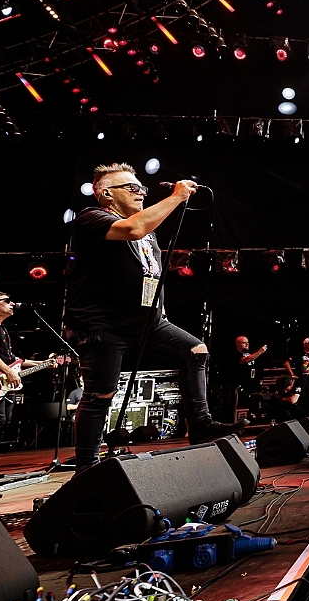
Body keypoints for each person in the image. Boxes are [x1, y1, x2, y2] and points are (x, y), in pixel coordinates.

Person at [64, 165, 238, 472]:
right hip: (104, 324)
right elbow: (134, 229)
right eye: (131, 188)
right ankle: (87, 467)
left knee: (196, 351)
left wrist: (160, 311)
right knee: (100, 394)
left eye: (141, 188)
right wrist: (177, 196)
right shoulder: (92, 218)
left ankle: (200, 424)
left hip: (147, 321)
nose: (141, 193)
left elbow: (151, 272)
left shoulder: (147, 230)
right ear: (107, 194)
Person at [0, 290, 57, 482]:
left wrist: (43, 364)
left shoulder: (2, 329)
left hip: (5, 382)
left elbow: (14, 361)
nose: (12, 304)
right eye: (6, 300)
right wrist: (7, 371)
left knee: (3, 422)